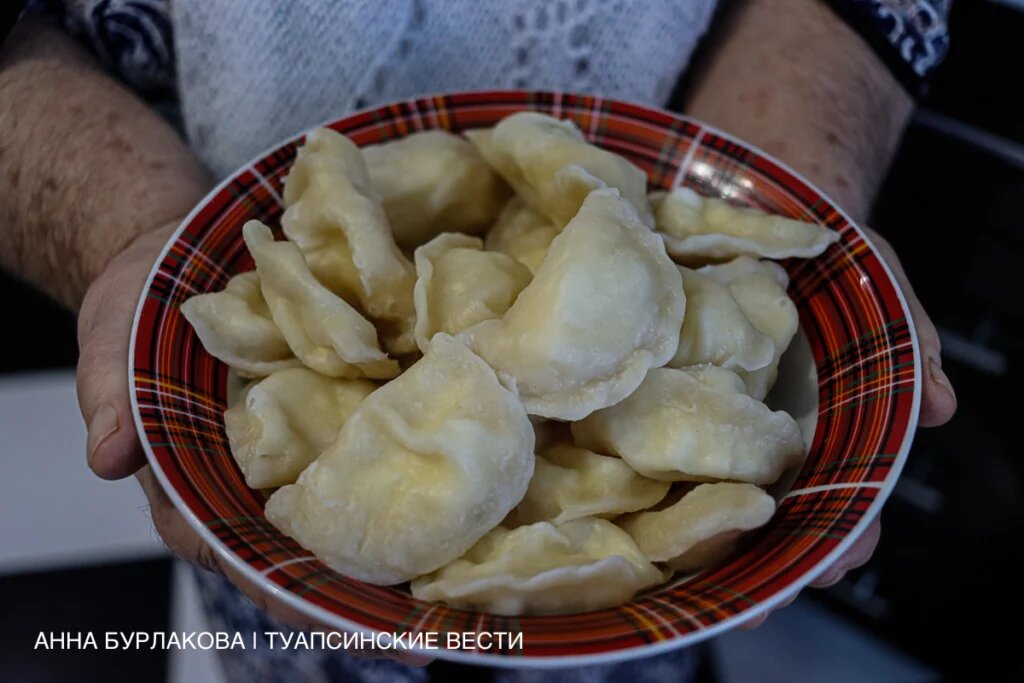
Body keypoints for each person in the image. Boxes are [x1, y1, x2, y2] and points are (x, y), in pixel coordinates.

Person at [0, 1, 957, 680]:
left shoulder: (567, 275)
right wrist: (136, 227)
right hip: (299, 604)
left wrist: (782, 166)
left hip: (631, 626)